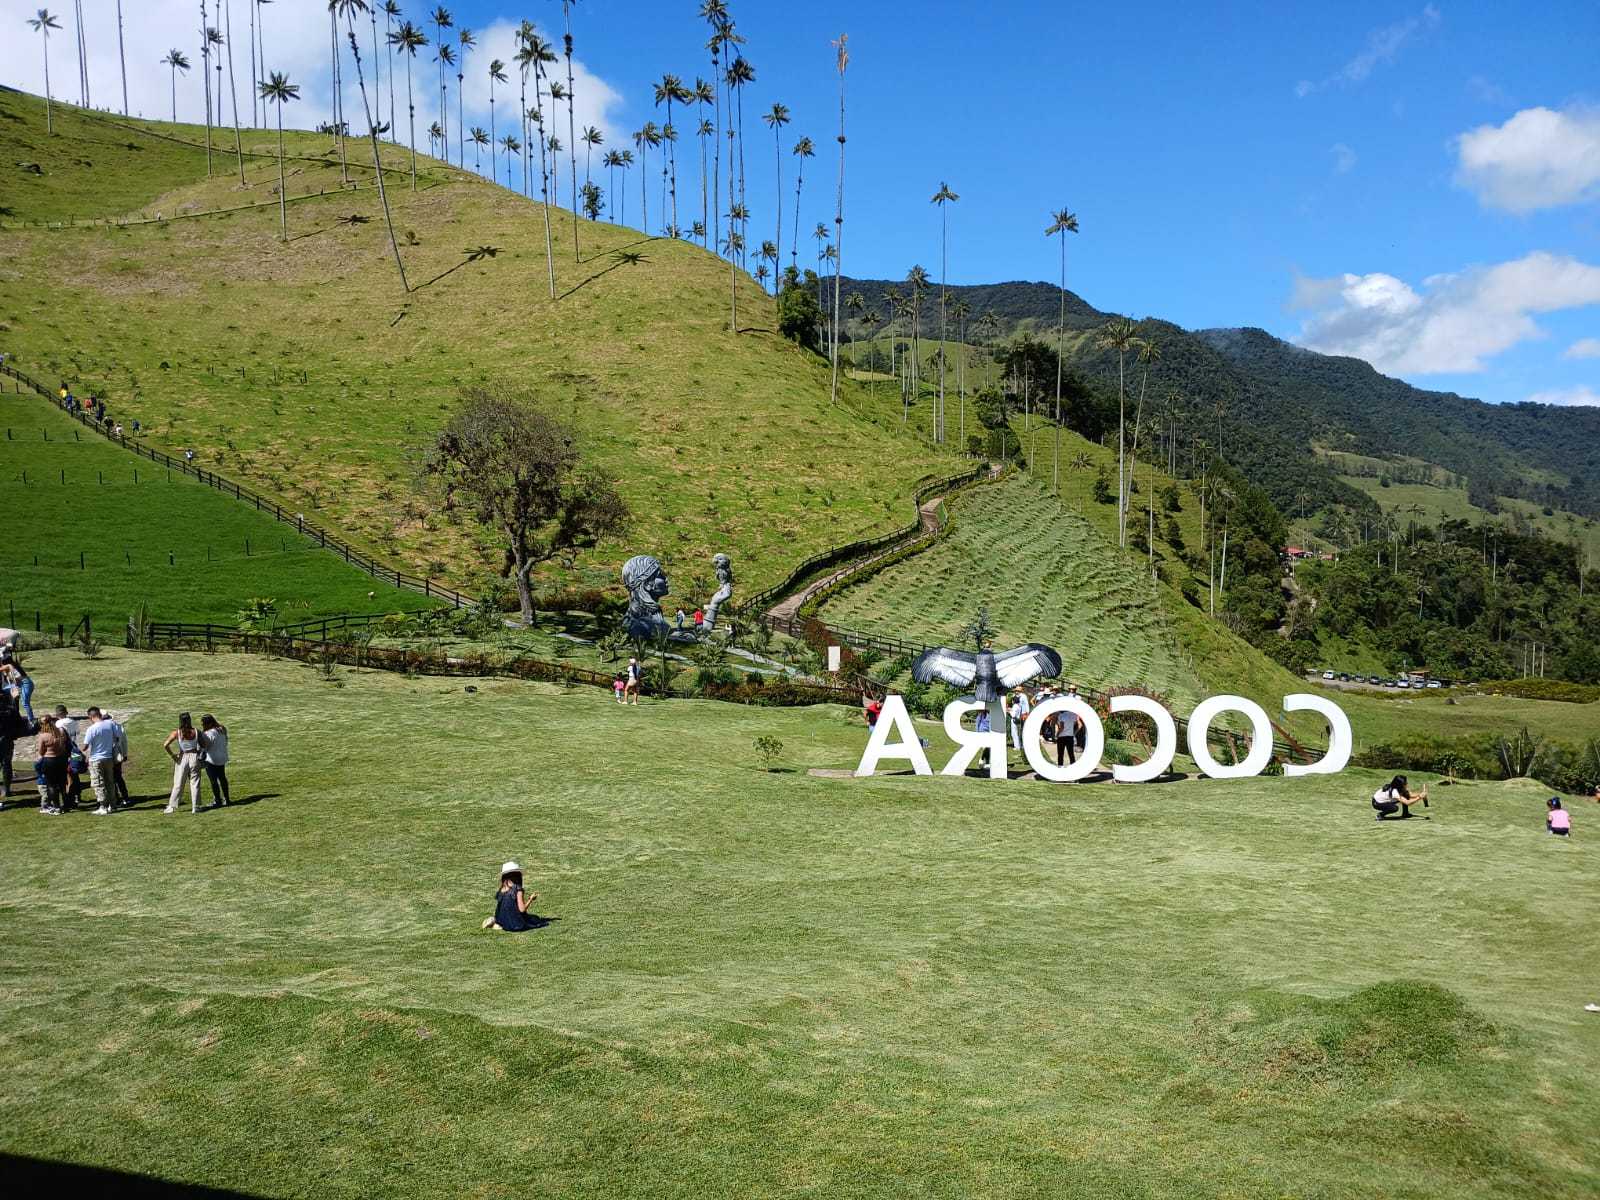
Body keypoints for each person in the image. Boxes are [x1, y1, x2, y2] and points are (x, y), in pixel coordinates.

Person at [82, 707, 122, 815]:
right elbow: (117, 738)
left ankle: (103, 806)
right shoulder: (110, 724)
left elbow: (85, 746)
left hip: (96, 759)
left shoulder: (91, 729)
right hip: (108, 757)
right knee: (110, 782)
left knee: (98, 783)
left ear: (91, 716)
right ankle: (113, 805)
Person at [163, 712, 205, 814]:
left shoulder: (177, 733)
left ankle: (172, 806)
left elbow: (165, 745)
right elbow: (203, 745)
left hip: (182, 758)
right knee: (195, 783)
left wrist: (173, 756)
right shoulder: (196, 731)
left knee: (178, 783)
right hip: (194, 757)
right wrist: (199, 752)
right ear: (189, 720)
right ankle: (196, 807)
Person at [482, 861, 542, 931]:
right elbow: (522, 910)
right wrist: (531, 899)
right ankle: (502, 925)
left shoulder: (502, 888)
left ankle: (498, 924)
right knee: (535, 919)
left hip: (500, 918)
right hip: (515, 924)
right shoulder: (518, 889)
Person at [33, 715, 71, 815]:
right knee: (63, 783)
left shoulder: (43, 736)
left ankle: (56, 807)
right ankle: (66, 804)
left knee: (52, 785)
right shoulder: (61, 731)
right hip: (62, 759)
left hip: (50, 760)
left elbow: (41, 752)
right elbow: (66, 744)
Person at [200, 714, 230, 807]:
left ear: (208, 724)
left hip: (212, 759)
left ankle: (217, 800)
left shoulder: (208, 733)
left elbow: (205, 746)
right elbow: (226, 741)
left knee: (213, 780)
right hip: (222, 757)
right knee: (222, 778)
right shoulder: (222, 729)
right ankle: (227, 799)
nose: (203, 726)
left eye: (203, 724)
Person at [0, 650, 32, 721]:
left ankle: (31, 720)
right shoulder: (11, 666)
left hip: (26, 684)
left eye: (2, 663)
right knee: (5, 690)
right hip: (22, 684)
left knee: (25, 703)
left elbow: (3, 668)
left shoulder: (9, 665)